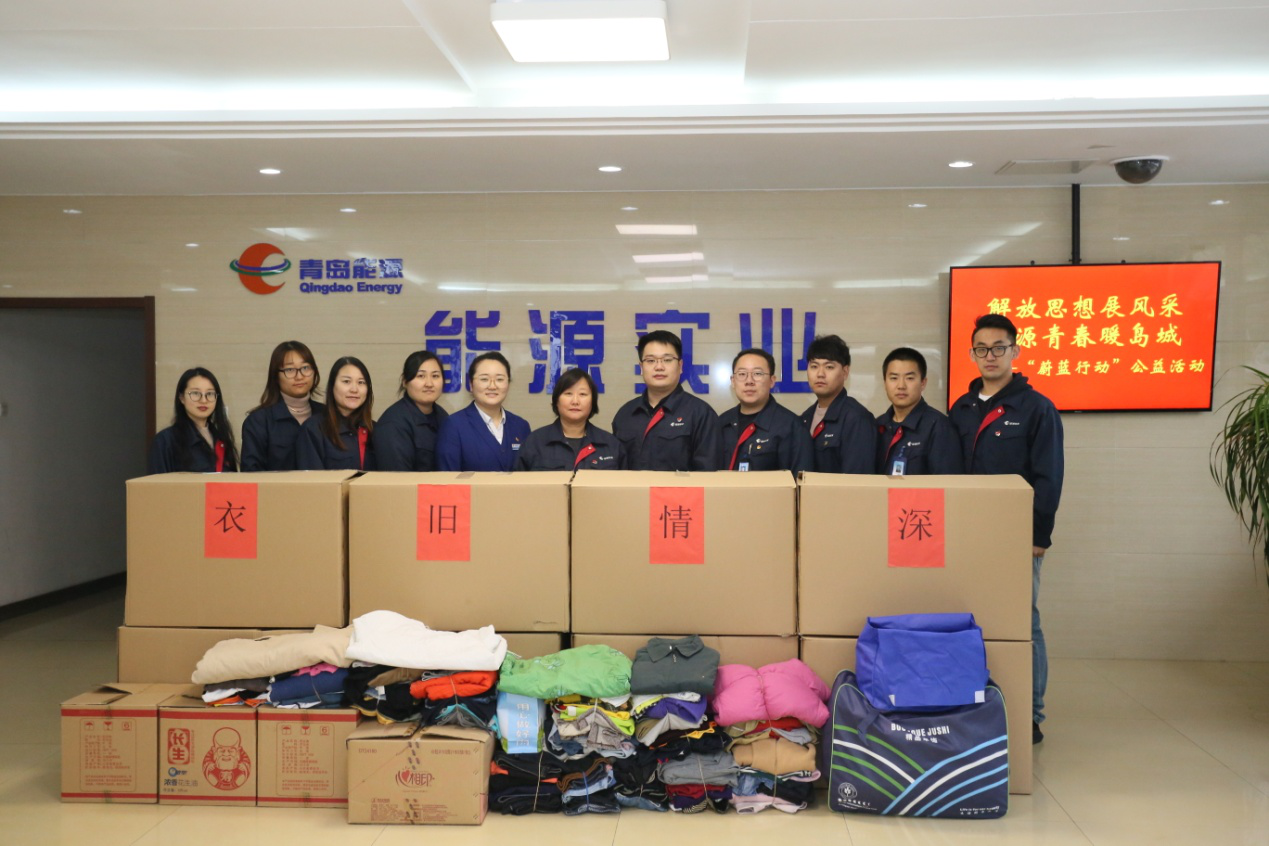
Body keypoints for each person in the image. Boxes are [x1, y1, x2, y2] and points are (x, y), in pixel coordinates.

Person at [949, 313, 1064, 745]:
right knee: (971, 619)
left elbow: (1049, 476)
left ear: (1014, 351)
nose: (990, 356)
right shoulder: (961, 409)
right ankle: (977, 705)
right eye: (982, 348)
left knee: (1022, 622)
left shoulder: (1036, 408)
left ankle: (1030, 713)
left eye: (999, 348)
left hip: (1016, 539)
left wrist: (1038, 536)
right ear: (972, 354)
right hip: (968, 536)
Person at [611, 330, 719, 471]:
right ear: (641, 367)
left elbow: (708, 473)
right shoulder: (625, 414)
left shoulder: (701, 414)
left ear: (680, 366)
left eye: (667, 360)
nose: (659, 367)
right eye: (650, 361)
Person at [718, 348, 813, 473]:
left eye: (757, 374)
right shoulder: (721, 423)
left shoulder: (792, 426)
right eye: (742, 374)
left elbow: (801, 480)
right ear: (733, 381)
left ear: (772, 381)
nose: (749, 381)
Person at [875, 347, 963, 475]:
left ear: (923, 383)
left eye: (910, 378)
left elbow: (947, 483)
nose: (901, 386)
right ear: (884, 383)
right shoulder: (878, 425)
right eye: (894, 378)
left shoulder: (939, 427)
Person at [435, 351, 530, 471]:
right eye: (484, 379)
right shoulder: (453, 426)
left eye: (500, 379)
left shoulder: (521, 426)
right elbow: (446, 477)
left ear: (508, 383)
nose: (492, 386)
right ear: (471, 384)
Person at [516, 368, 624, 471]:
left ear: (593, 402)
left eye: (582, 394)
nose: (575, 401)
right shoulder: (535, 442)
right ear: (556, 401)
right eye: (568, 393)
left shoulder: (611, 445)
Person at [799, 334, 877, 474]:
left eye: (829, 367)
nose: (820, 374)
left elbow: (858, 478)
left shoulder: (856, 418)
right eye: (814, 366)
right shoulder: (805, 418)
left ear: (845, 372)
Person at [240, 341, 323, 471]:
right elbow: (251, 473)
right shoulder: (259, 421)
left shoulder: (327, 415)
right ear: (275, 376)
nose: (299, 376)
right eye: (289, 370)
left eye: (305, 368)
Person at [148, 367, 239, 473]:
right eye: (195, 393)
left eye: (210, 394)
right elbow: (157, 482)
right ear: (181, 398)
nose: (203, 400)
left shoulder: (222, 439)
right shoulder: (165, 441)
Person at [297, 356, 376, 471]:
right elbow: (311, 480)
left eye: (361, 382)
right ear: (332, 386)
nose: (354, 389)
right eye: (346, 381)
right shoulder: (313, 429)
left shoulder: (376, 430)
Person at [375, 350, 449, 471]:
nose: (429, 383)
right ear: (405, 381)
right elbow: (397, 478)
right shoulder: (393, 424)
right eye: (421, 376)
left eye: (435, 376)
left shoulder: (442, 416)